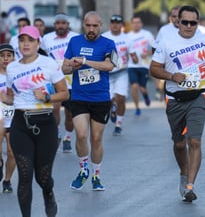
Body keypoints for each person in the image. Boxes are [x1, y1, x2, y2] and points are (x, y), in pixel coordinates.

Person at [150, 5, 205, 202]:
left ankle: (190, 186)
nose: (189, 26)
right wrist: (171, 76)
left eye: (193, 22)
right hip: (175, 99)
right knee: (179, 144)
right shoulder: (166, 42)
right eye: (185, 22)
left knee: (195, 141)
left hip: (198, 96)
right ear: (178, 22)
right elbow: (154, 68)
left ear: (197, 23)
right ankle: (184, 172)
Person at [2, 26, 69, 217]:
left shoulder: (49, 64)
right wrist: (3, 98)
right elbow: (10, 97)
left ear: (38, 43)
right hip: (20, 123)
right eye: (22, 40)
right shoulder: (12, 68)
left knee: (43, 177)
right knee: (24, 175)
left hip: (45, 123)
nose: (25, 44)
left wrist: (47, 98)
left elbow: (64, 93)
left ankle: (48, 194)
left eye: (30, 40)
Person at [63, 11, 116, 191]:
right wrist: (71, 64)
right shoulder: (74, 42)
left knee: (96, 139)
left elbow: (109, 65)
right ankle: (83, 170)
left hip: (100, 98)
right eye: (88, 25)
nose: (91, 29)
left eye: (95, 26)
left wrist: (86, 61)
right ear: (83, 25)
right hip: (79, 97)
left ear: (101, 25)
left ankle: (96, 175)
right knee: (82, 135)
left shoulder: (108, 44)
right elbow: (64, 69)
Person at [42, 13, 80, 152]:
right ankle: (56, 134)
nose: (61, 26)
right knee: (55, 108)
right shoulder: (46, 39)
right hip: (54, 80)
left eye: (63, 23)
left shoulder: (75, 37)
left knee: (70, 114)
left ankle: (68, 137)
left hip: (71, 81)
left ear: (68, 25)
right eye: (58, 23)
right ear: (54, 25)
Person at [102, 14, 136, 135]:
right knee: (109, 100)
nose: (115, 25)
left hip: (122, 72)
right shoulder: (104, 37)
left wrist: (135, 58)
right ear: (110, 24)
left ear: (121, 25)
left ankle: (118, 124)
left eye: (118, 23)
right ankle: (112, 108)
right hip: (107, 73)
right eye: (113, 23)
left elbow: (132, 54)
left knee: (121, 98)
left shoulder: (127, 38)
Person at [127, 16, 155, 116]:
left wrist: (147, 54)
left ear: (141, 24)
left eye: (138, 22)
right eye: (134, 22)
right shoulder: (128, 36)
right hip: (131, 65)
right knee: (134, 87)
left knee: (142, 88)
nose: (136, 24)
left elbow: (155, 48)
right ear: (131, 24)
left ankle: (145, 95)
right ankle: (137, 107)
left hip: (144, 65)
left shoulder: (147, 35)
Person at [153, 5, 181, 100]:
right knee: (170, 91)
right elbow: (156, 47)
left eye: (179, 16)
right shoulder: (164, 30)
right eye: (174, 16)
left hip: (186, 65)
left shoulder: (191, 28)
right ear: (170, 18)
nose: (177, 18)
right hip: (169, 64)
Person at [0, 44, 16, 193]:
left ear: (14, 57)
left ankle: (7, 180)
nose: (5, 59)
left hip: (13, 119)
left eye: (9, 55)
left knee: (12, 152)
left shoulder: (18, 74)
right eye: (2, 55)